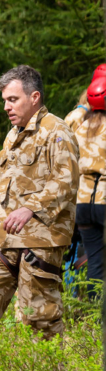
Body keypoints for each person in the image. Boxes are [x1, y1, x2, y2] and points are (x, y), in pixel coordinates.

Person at [0, 65, 79, 363]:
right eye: (5, 100)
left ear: (34, 97)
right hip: (6, 241)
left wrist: (31, 207)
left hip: (41, 242)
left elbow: (66, 182)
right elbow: (5, 188)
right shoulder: (12, 135)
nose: (6, 106)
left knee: (39, 321)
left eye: (13, 99)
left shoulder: (57, 132)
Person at [65, 67, 106, 295]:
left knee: (95, 262)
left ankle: (92, 312)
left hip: (82, 204)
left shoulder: (80, 126)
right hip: (103, 200)